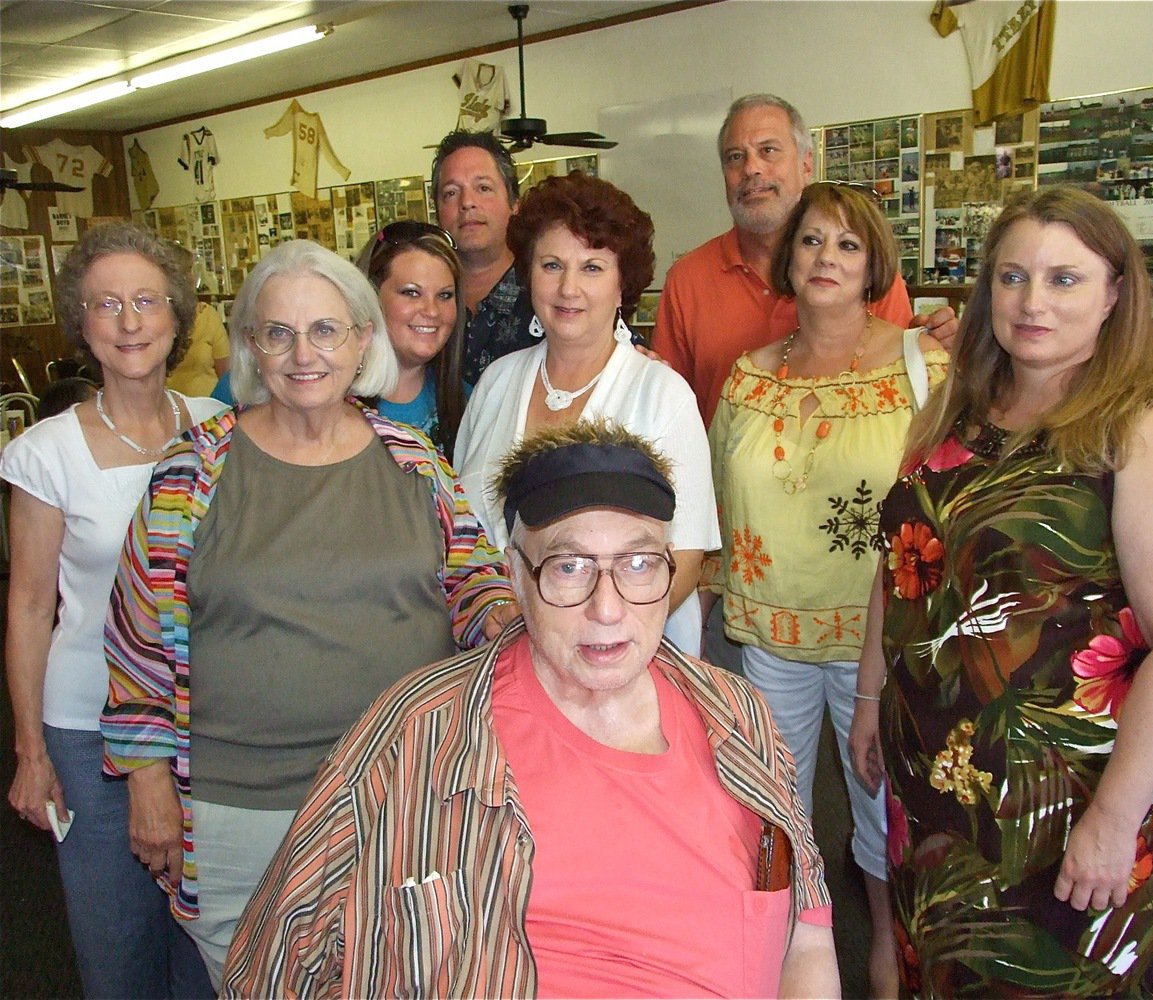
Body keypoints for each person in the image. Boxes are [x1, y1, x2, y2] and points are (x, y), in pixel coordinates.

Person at [222, 419, 840, 999]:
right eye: (569, 568)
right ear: (515, 574)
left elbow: (807, 936)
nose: (608, 607)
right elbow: (271, 965)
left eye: (638, 563)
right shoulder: (417, 734)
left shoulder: (735, 716)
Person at [100, 239, 517, 990]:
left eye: (326, 330)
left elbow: (476, 583)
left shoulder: (415, 462)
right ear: (252, 347)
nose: (304, 355)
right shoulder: (191, 472)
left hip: (401, 797)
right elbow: (136, 643)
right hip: (241, 809)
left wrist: (517, 623)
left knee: (401, 977)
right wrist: (147, 783)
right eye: (279, 333)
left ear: (362, 340)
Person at [849, 187, 1153, 996]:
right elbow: (899, 563)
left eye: (1064, 279)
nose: (1032, 301)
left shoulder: (1149, 427)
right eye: (1012, 277)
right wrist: (870, 697)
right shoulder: (961, 408)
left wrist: (1113, 822)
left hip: (1068, 808)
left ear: (1117, 293)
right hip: (938, 787)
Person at [707, 182, 949, 998]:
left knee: (881, 819)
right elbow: (713, 490)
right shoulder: (748, 375)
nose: (826, 259)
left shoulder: (926, 366)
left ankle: (884, 953)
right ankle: (787, 961)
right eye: (811, 242)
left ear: (873, 261)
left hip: (878, 648)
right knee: (772, 816)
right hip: (769, 636)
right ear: (788, 258)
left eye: (847, 245)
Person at [2, 221, 222, 998]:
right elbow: (30, 608)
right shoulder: (46, 453)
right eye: (106, 305)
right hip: (89, 730)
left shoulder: (219, 428)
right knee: (117, 945)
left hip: (204, 723)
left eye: (145, 301)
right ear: (82, 324)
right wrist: (30, 751)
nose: (129, 323)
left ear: (177, 317)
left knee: (206, 949)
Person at [455, 172, 719, 655]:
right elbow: (460, 528)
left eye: (592, 267)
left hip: (620, 656)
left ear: (623, 286)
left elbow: (686, 555)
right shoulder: (495, 383)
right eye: (552, 265)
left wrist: (592, 632)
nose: (568, 288)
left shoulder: (661, 393)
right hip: (492, 657)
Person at [654, 93, 958, 428]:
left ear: (806, 164)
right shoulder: (688, 279)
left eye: (768, 150)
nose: (751, 168)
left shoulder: (861, 275)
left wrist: (931, 345)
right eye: (735, 157)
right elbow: (666, 411)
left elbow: (908, 393)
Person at [355, 219, 469, 455]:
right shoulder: (329, 401)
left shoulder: (471, 401)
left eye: (445, 295)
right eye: (411, 293)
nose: (431, 311)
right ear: (371, 295)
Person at [430, 129, 534, 385]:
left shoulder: (545, 290)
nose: (467, 203)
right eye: (451, 193)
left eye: (483, 188)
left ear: (514, 203)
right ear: (437, 211)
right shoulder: (423, 299)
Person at [165, 300, 229, 397]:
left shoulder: (208, 316)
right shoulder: (156, 318)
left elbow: (226, 375)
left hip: (209, 405)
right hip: (165, 404)